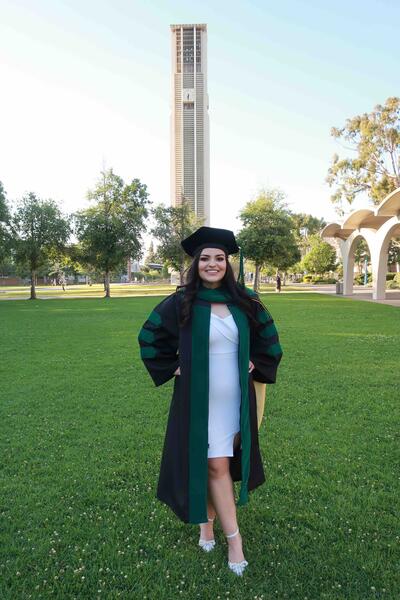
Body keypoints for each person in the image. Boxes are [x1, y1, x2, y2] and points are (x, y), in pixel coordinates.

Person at [138, 226, 283, 576]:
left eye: (219, 258)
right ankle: (235, 540)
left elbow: (270, 340)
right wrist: (172, 367)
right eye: (205, 258)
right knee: (215, 465)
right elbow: (149, 336)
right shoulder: (182, 301)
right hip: (197, 402)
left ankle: (207, 524)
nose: (212, 264)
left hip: (234, 401)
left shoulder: (245, 302)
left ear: (228, 263)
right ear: (195, 263)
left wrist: (257, 361)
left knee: (211, 464)